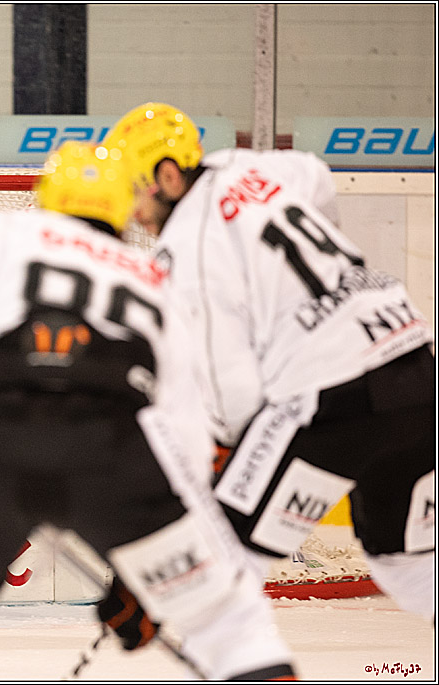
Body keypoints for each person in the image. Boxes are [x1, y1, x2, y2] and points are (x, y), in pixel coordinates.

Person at [0, 142, 297, 680]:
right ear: (122, 210)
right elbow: (187, 432)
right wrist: (146, 578)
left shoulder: (8, 234)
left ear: (46, 196)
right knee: (228, 625)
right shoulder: (156, 281)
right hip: (116, 450)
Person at [104, 102, 435, 623]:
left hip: (332, 390)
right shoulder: (245, 165)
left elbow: (233, 394)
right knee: (404, 559)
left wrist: (228, 464)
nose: (133, 212)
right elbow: (318, 177)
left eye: (135, 192)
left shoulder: (186, 249)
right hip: (416, 363)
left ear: (168, 175)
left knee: (222, 552)